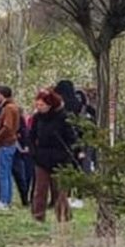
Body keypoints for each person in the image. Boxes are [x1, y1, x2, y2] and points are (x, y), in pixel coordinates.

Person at [29, 89, 81, 223]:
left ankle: (63, 216)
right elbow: (31, 136)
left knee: (60, 191)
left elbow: (72, 139)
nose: (39, 108)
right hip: (42, 158)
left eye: (42, 105)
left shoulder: (63, 117)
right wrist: (34, 152)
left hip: (60, 159)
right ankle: (38, 216)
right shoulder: (37, 118)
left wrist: (68, 155)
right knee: (40, 190)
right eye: (37, 105)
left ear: (50, 105)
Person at [0, 86, 21, 210]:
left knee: (2, 173)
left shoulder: (8, 108)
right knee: (7, 172)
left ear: (3, 95)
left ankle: (4, 200)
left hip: (5, 143)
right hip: (11, 143)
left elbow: (7, 126)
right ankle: (7, 199)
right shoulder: (14, 107)